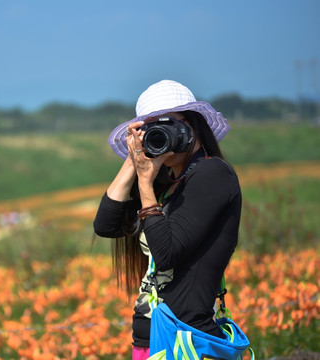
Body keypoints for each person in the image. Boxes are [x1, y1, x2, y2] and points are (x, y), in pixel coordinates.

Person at [93, 80, 242, 360]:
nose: (162, 134)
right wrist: (133, 161)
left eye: (170, 124)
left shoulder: (212, 174)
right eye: (151, 129)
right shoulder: (164, 184)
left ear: (194, 125)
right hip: (149, 335)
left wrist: (146, 184)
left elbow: (167, 254)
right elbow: (106, 226)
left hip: (186, 338)